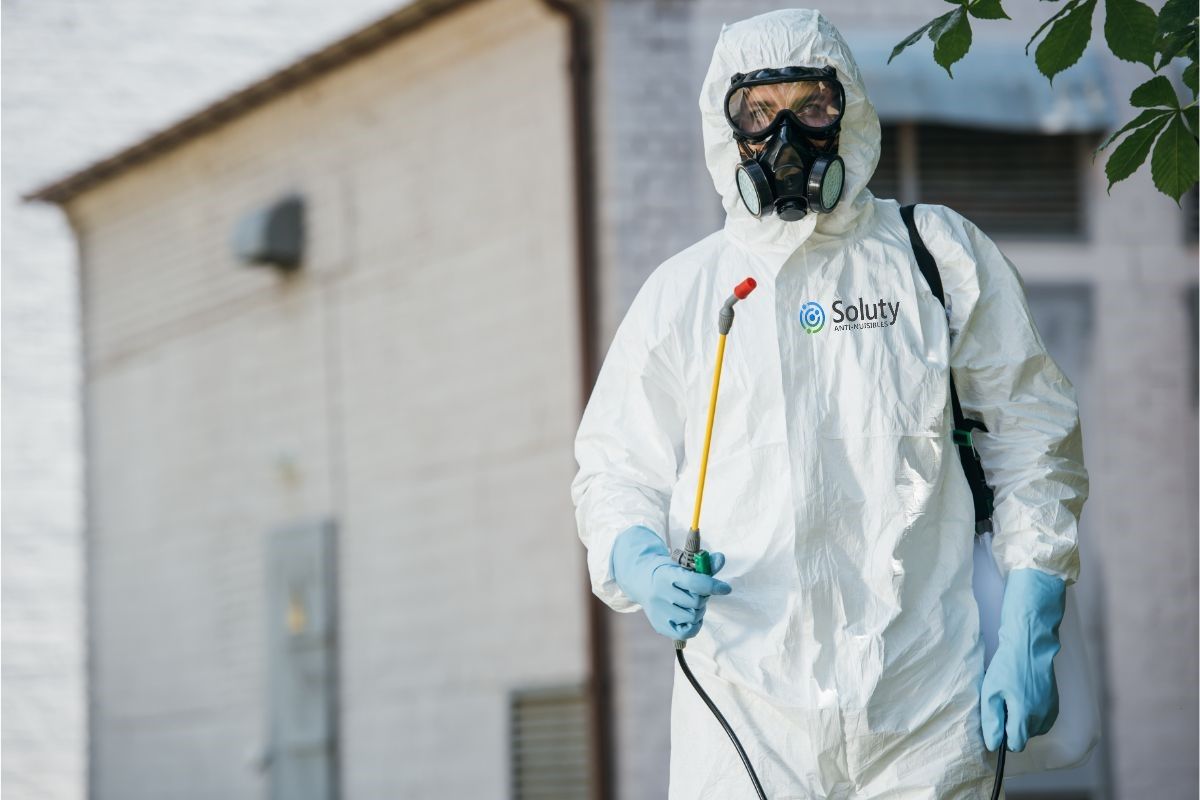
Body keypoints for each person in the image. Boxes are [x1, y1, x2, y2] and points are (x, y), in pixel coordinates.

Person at [571, 8, 1088, 799]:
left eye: (812, 107)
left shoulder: (936, 259)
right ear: (729, 131)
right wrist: (636, 560)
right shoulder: (686, 295)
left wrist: (1029, 616)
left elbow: (1033, 439)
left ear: (848, 109)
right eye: (759, 115)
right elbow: (612, 470)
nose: (788, 139)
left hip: (923, 710)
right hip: (742, 719)